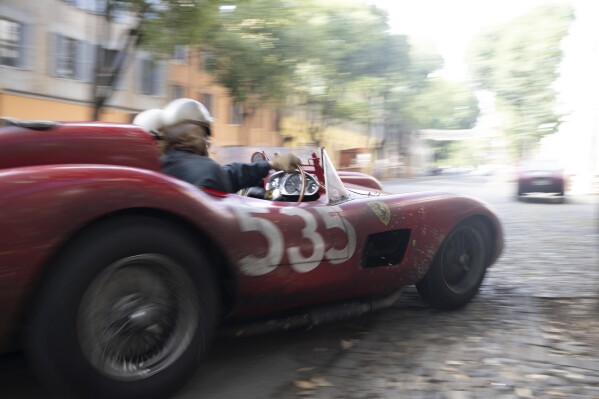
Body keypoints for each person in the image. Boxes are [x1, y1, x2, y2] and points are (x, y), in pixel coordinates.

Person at [133, 98, 301, 193]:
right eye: (205, 134)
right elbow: (224, 176)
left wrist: (269, 164)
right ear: (196, 133)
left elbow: (230, 173)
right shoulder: (207, 170)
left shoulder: (152, 168)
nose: (207, 141)